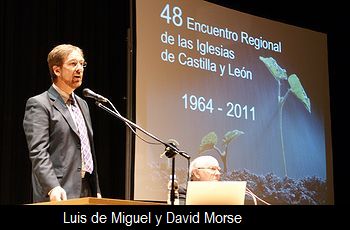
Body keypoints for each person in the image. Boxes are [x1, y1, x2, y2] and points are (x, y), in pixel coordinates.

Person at [23, 44, 101, 203]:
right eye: (73, 63)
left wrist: (96, 189)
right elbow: (38, 152)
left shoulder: (83, 104)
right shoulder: (39, 104)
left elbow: (87, 149)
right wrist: (52, 186)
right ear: (57, 70)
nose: (80, 68)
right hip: (59, 190)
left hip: (87, 189)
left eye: (82, 63)